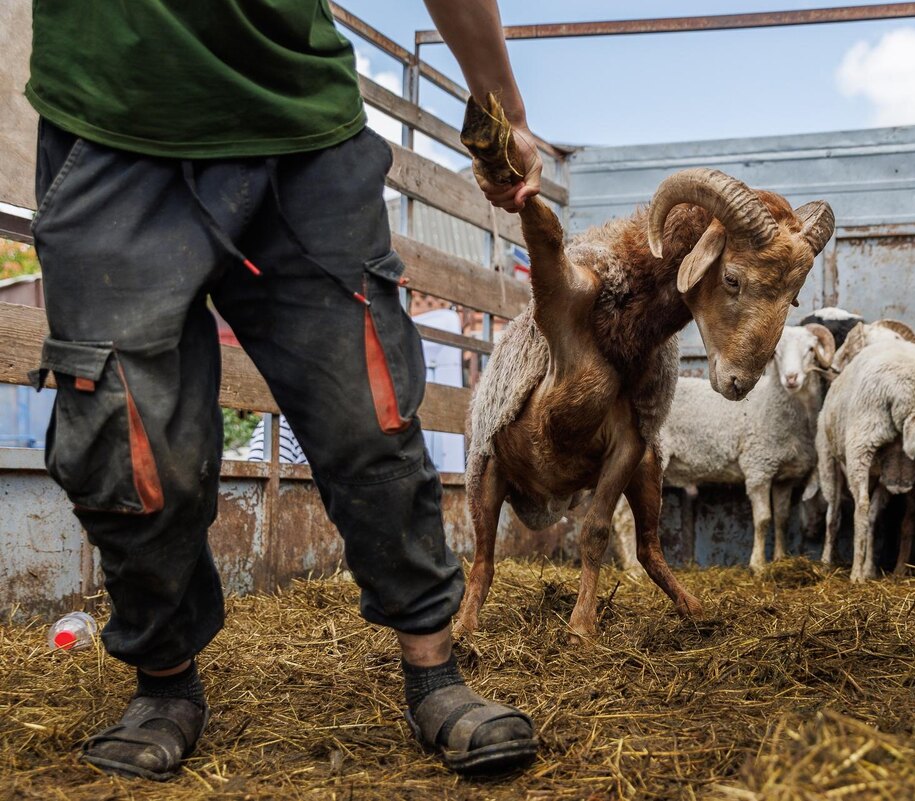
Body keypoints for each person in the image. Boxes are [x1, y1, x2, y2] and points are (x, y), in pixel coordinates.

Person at [25, 0, 541, 780]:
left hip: (300, 131)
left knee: (370, 409)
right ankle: (164, 684)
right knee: (127, 436)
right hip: (113, 123)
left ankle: (435, 672)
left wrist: (502, 111)